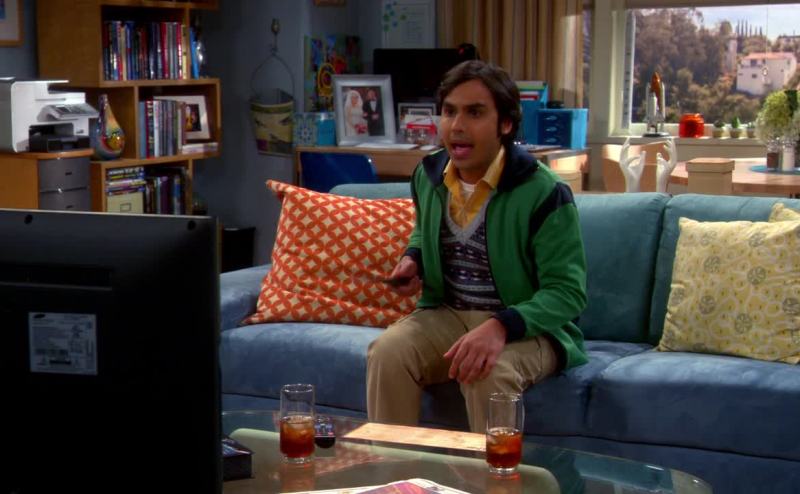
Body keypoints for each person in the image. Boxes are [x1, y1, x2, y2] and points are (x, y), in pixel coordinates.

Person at [366, 60, 588, 433]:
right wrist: (413, 258)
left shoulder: (545, 192)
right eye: (449, 111)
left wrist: (501, 325)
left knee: (486, 370)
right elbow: (422, 231)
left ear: (506, 124)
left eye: (475, 113)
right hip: (448, 314)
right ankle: (393, 467)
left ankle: (494, 472)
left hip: (529, 327)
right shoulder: (427, 175)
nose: (457, 125)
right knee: (387, 352)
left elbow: (568, 293)